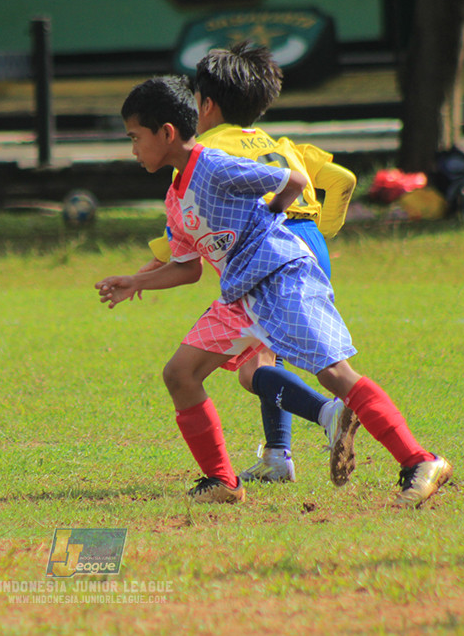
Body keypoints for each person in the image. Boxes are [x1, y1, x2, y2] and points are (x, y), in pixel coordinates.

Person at [96, 75, 452, 508]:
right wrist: (136, 281)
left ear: (166, 133)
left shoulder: (212, 165)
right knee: (180, 374)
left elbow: (293, 180)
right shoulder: (175, 195)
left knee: (334, 374)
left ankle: (420, 461)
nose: (132, 149)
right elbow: (187, 269)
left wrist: (268, 222)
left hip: (282, 276)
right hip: (241, 295)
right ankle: (222, 481)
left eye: (135, 138)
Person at [138, 42, 358, 485]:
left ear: (205, 104)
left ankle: (329, 413)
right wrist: (322, 230)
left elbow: (188, 222)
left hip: (268, 251)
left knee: (250, 370)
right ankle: (278, 455)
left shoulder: (207, 149)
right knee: (264, 356)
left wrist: (149, 267)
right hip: (309, 243)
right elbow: (341, 179)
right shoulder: (280, 144)